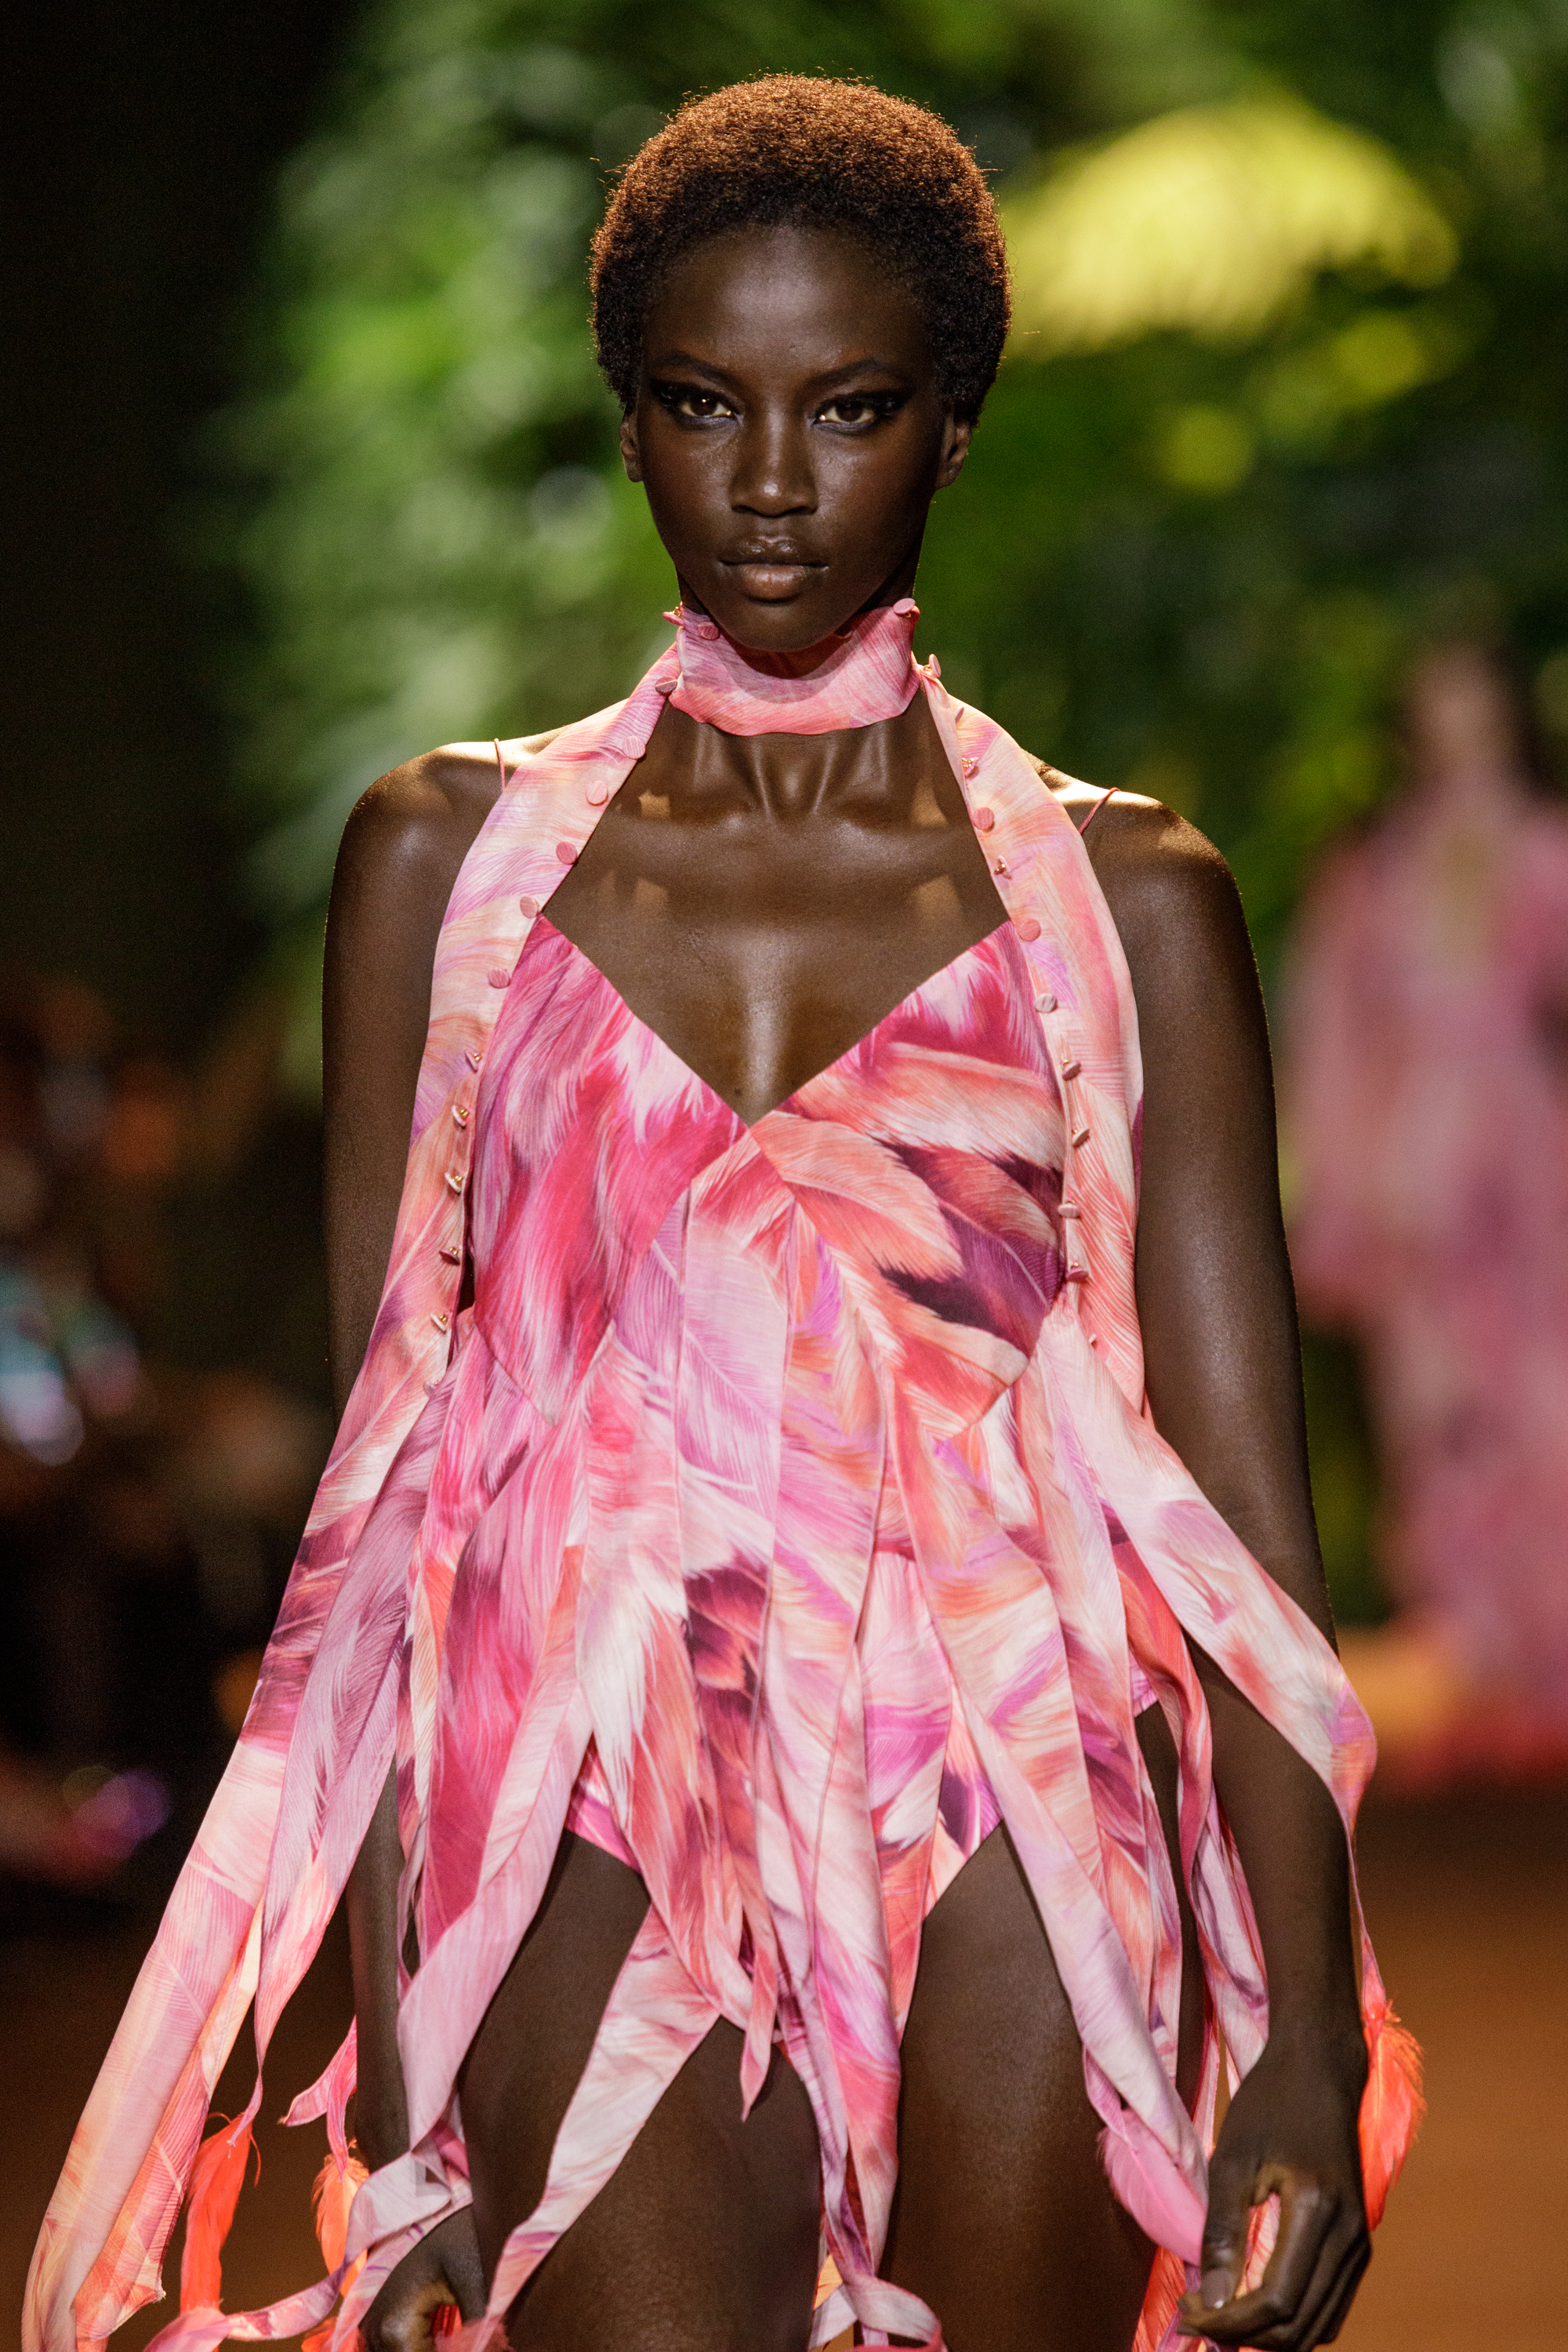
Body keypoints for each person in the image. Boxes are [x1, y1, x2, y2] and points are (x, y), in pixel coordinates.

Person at [25, 77, 1417, 2352]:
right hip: (589, 1791)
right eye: (702, 403)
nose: (771, 480)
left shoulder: (1128, 901)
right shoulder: (453, 868)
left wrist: (1305, 2041)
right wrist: (399, 2105)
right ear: (631, 418)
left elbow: (1243, 1524)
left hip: (1009, 1804)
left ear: (950, 428)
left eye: (849, 407)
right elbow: (396, 1494)